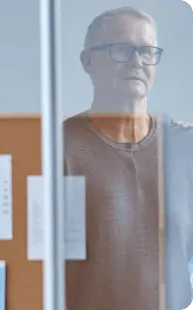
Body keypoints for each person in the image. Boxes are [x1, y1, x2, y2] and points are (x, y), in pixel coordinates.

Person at [63, 7, 191, 309]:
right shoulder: (59, 146)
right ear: (87, 61)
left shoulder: (185, 146)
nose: (137, 61)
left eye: (146, 51)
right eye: (122, 49)